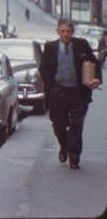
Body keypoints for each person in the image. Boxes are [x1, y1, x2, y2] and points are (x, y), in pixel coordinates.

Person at [39, 18, 102, 169]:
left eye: (69, 31)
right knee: (58, 124)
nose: (66, 34)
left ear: (72, 32)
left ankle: (74, 157)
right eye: (63, 31)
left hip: (78, 92)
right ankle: (64, 146)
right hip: (58, 91)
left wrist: (97, 79)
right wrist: (50, 85)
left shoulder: (81, 45)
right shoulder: (50, 47)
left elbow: (94, 62)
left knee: (76, 124)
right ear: (58, 31)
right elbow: (43, 68)